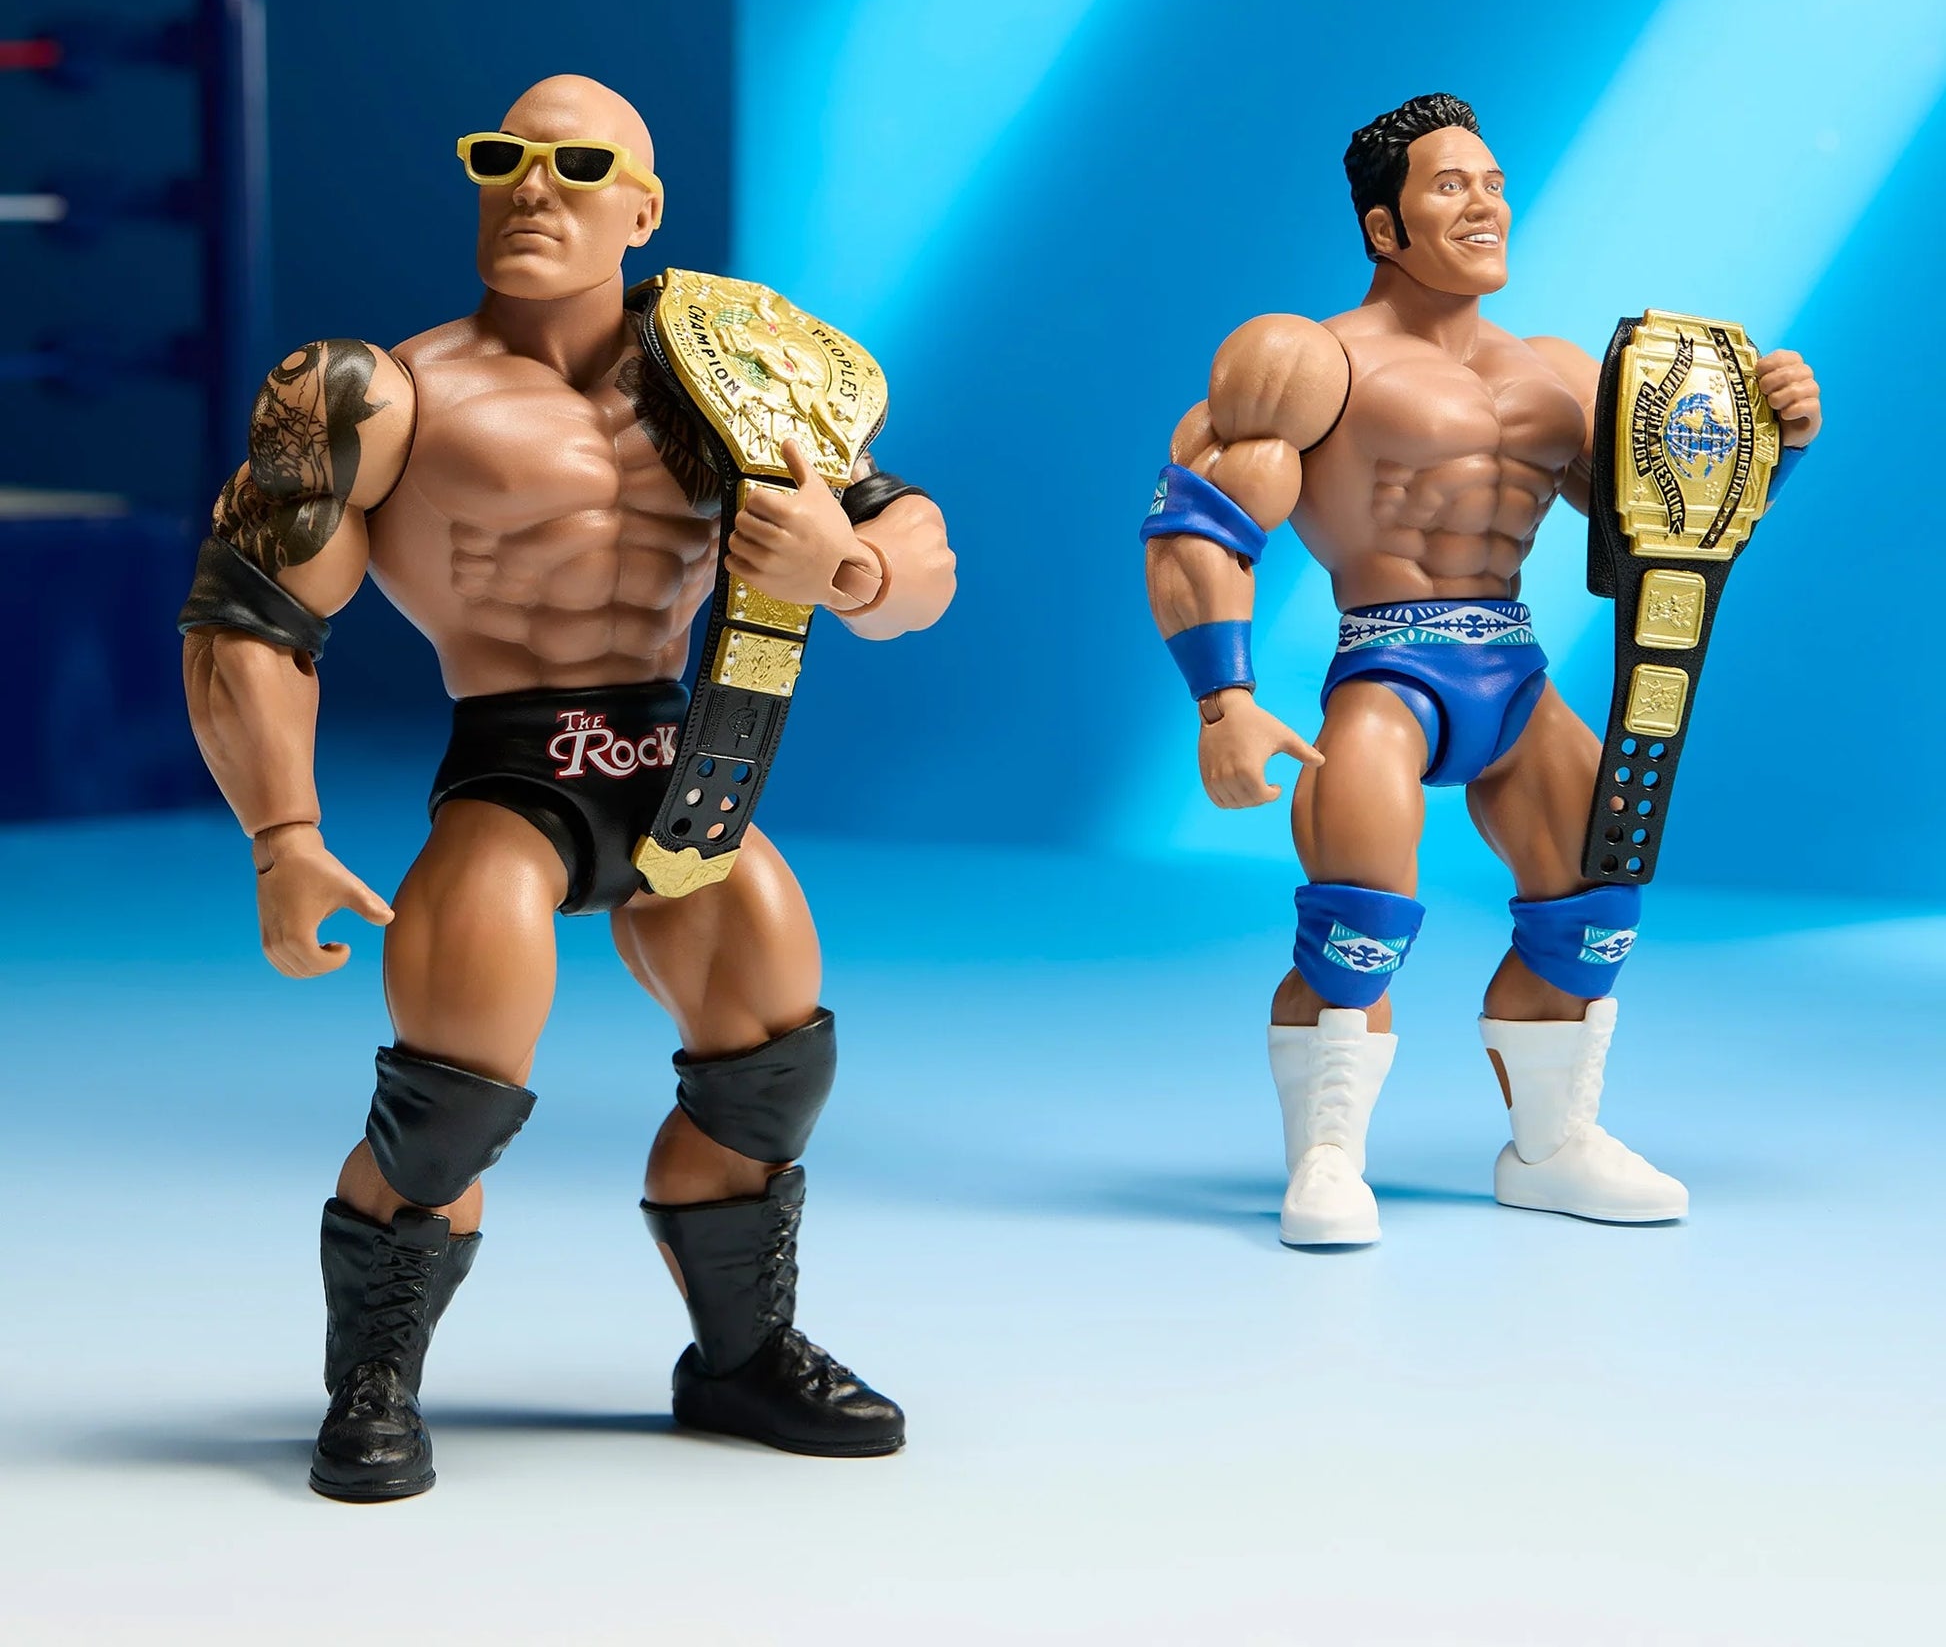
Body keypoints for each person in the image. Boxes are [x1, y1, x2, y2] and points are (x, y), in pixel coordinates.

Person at [180, 73, 955, 1499]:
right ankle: (373, 1380)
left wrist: (840, 566)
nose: (533, 187)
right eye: (504, 158)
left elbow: (915, 552)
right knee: (449, 1095)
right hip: (512, 765)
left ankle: (739, 1357)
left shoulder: (730, 371)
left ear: (642, 209)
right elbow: (248, 613)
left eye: (578, 165)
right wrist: (282, 832)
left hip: (683, 763)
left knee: (772, 1058)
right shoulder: (378, 392)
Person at [1141, 93, 1820, 1247]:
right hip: (1386, 668)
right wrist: (1224, 700)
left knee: (1594, 905)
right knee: (1357, 919)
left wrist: (1768, 439)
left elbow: (1660, 533)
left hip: (1509, 669)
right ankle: (1325, 1155)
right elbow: (1199, 524)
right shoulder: (1309, 359)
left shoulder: (1555, 374)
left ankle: (1549, 1147)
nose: (1483, 204)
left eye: (1491, 183)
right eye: (1449, 185)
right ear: (1382, 226)